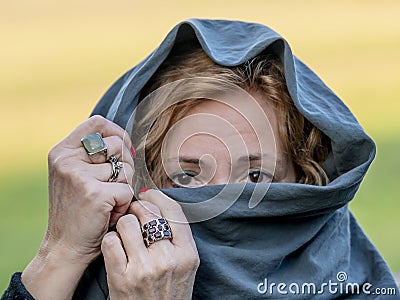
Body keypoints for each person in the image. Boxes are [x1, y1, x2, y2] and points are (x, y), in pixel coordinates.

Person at [2, 19, 399, 299]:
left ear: (307, 185)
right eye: (186, 177)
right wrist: (60, 253)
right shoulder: (85, 282)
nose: (220, 201)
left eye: (257, 176)